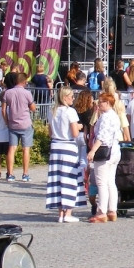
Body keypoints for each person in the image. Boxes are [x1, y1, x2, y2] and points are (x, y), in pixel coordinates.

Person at [45, 86, 84, 223]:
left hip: (55, 146)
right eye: (71, 96)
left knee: (57, 179)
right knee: (70, 178)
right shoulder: (70, 111)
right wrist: (79, 127)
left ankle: (60, 213)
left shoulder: (52, 111)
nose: (73, 99)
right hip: (68, 146)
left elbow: (50, 132)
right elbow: (74, 133)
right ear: (65, 97)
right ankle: (68, 212)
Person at [87, 92, 122, 223]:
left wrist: (92, 151)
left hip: (104, 152)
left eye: (101, 101)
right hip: (114, 151)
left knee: (101, 182)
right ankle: (112, 209)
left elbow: (102, 137)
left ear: (107, 103)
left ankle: (102, 211)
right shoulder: (114, 116)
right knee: (110, 182)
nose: (98, 103)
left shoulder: (106, 117)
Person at [2, 72, 37, 182]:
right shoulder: (27, 93)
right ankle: (25, 174)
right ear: (24, 81)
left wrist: (7, 121)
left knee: (12, 148)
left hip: (13, 123)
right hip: (25, 123)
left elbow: (3, 110)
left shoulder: (7, 93)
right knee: (26, 149)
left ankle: (10, 174)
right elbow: (33, 108)